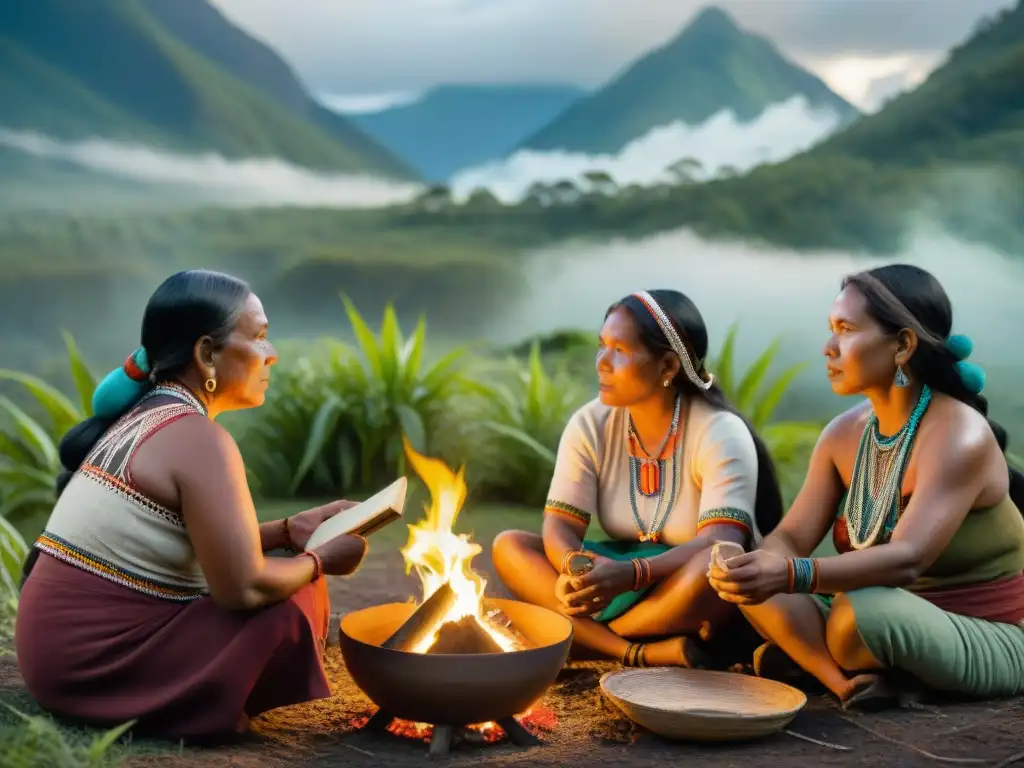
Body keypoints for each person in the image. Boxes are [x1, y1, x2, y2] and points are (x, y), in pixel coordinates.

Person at [15, 269, 369, 741]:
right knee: (292, 600)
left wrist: (288, 529)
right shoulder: (197, 438)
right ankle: (194, 706)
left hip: (59, 667)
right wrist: (318, 560)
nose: (272, 354)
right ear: (206, 353)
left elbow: (181, 540)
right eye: (260, 337)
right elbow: (240, 588)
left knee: (285, 578)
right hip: (98, 675)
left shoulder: (147, 415)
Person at [708, 264, 1024, 710]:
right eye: (831, 329)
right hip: (876, 615)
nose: (828, 348)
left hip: (985, 633)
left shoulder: (959, 435)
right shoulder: (843, 434)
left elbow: (907, 559)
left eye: (846, 329)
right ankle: (840, 680)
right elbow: (792, 537)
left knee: (856, 616)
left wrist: (791, 573)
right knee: (747, 575)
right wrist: (761, 567)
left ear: (902, 345)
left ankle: (835, 660)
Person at [492, 289, 784, 668]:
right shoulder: (590, 423)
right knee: (510, 545)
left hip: (682, 581)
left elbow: (720, 541)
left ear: (667, 366)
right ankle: (642, 651)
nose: (601, 362)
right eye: (602, 345)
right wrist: (573, 570)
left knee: (714, 567)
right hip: (616, 573)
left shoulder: (720, 431)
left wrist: (630, 575)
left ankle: (588, 639)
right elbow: (560, 524)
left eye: (620, 350)